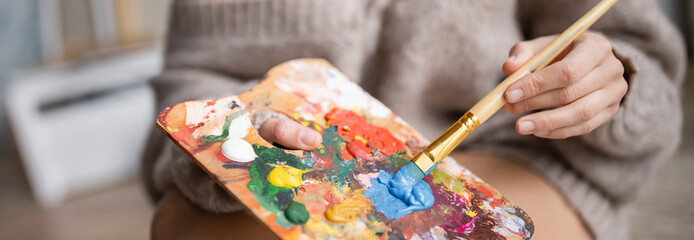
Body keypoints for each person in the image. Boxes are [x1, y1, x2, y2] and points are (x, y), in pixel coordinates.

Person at [140, 0, 686, 239]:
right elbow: (195, 80)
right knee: (177, 225)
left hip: (513, 158)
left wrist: (612, 81)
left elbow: (649, 78)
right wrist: (227, 136)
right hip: (301, 171)